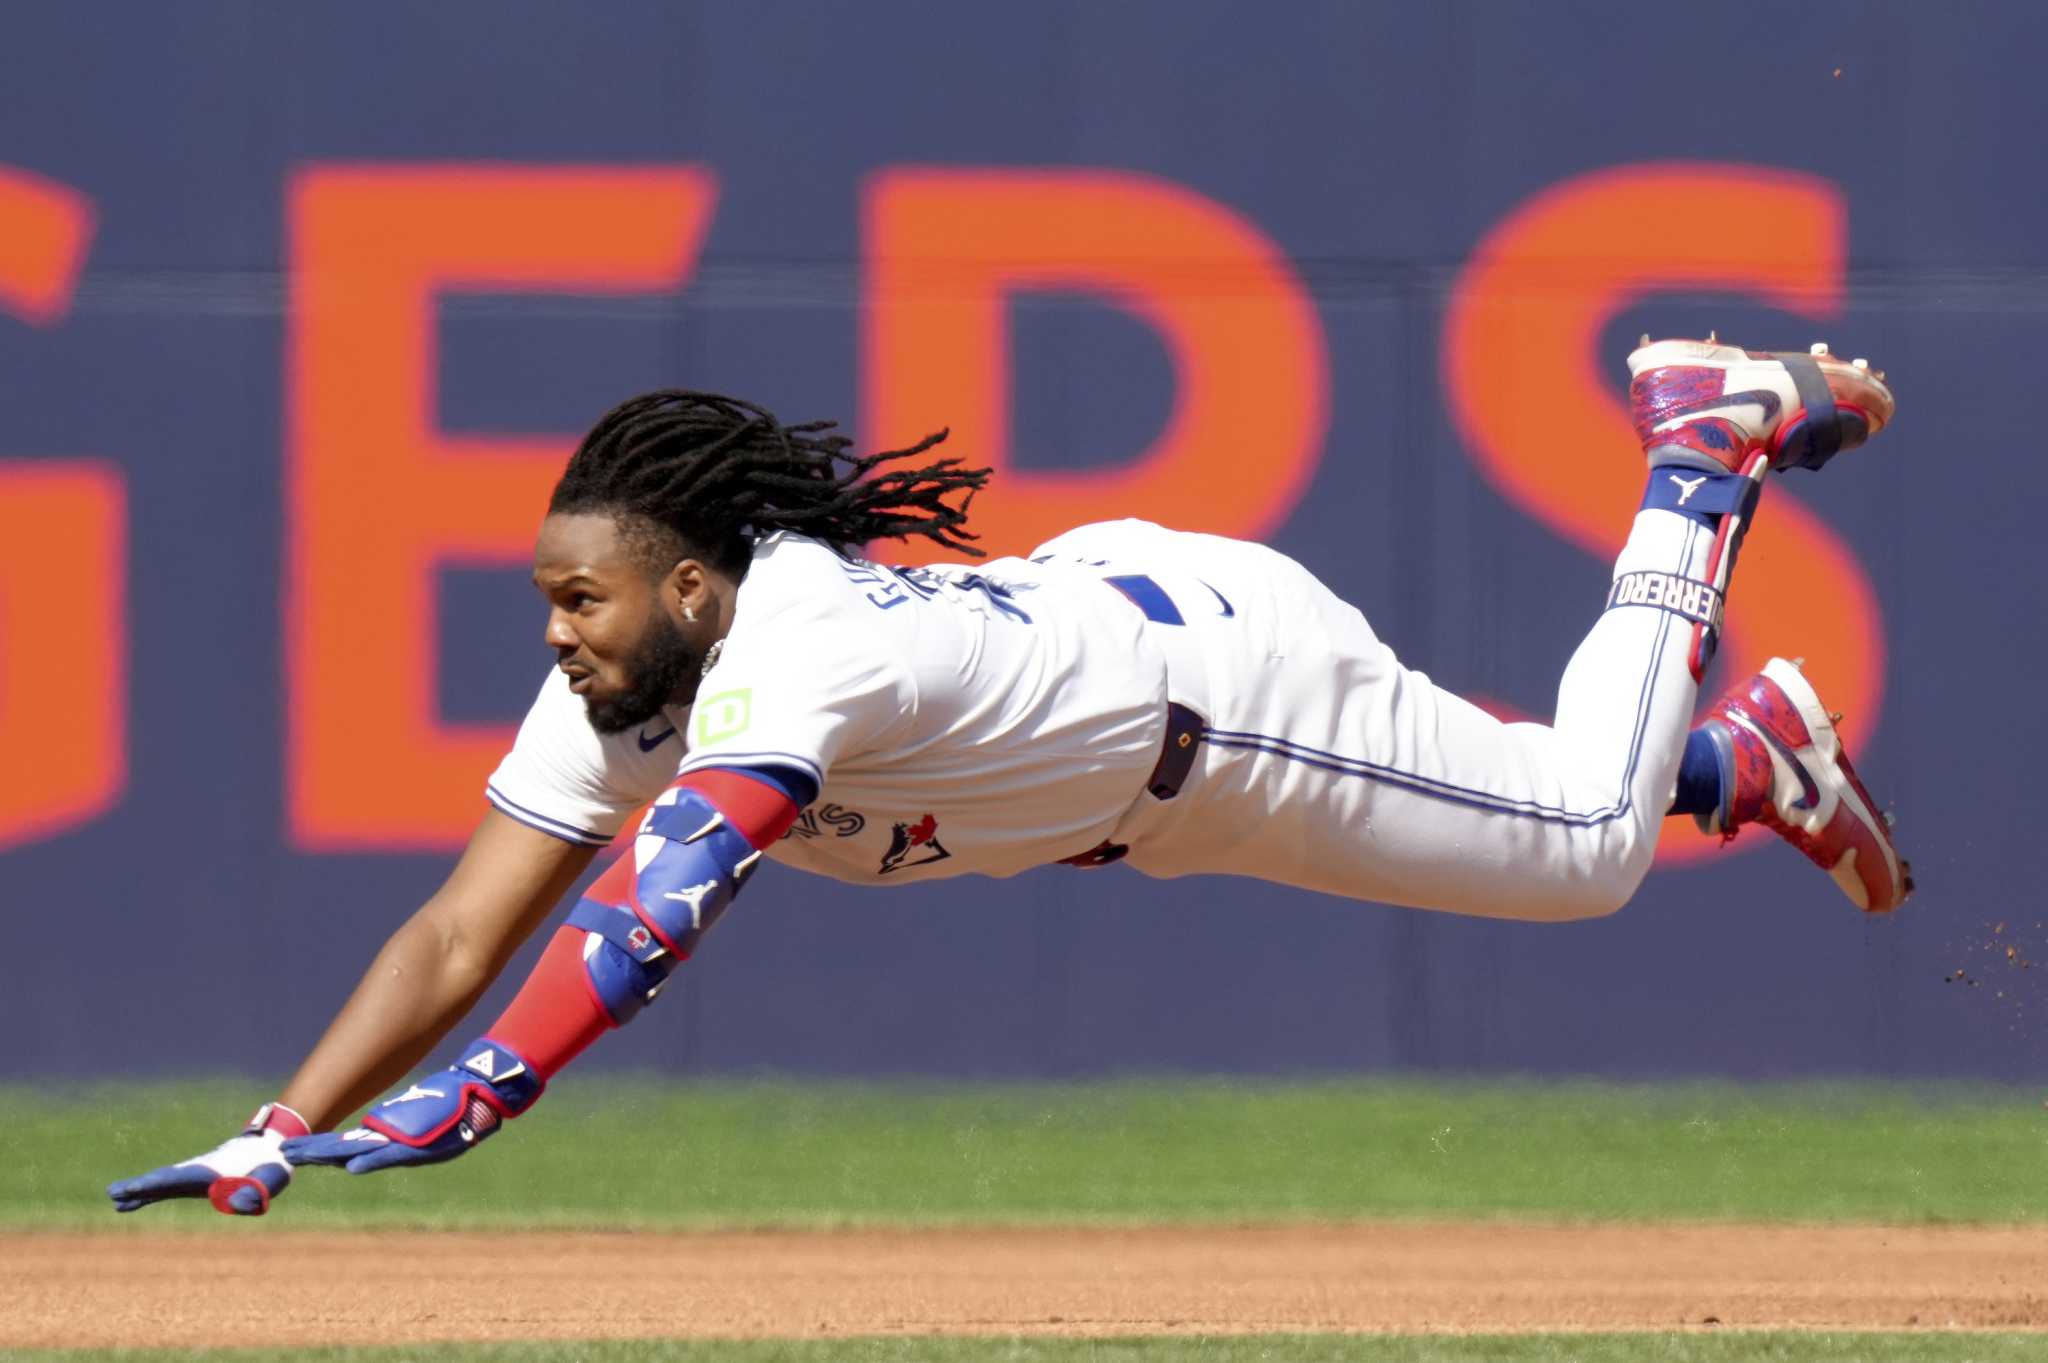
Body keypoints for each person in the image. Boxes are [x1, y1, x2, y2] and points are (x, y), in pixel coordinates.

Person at [107, 336, 1910, 1216]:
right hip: (1139, 706)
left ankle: (1699, 452)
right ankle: (1733, 762)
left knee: (1583, 849)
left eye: (581, 595)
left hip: (1223, 698)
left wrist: (486, 1096)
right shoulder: (618, 687)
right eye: (548, 601)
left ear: (687, 583)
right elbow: (452, 933)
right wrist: (281, 1121)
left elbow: (658, 906)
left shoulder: (801, 642)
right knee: (1563, 795)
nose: (558, 631)